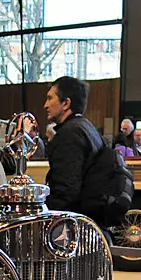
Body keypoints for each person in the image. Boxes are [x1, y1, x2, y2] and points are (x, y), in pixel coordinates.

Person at [43, 76, 103, 217]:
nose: (45, 105)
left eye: (50, 98)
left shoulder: (69, 134)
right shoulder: (86, 127)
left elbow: (66, 191)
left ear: (66, 103)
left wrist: (47, 215)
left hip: (74, 222)